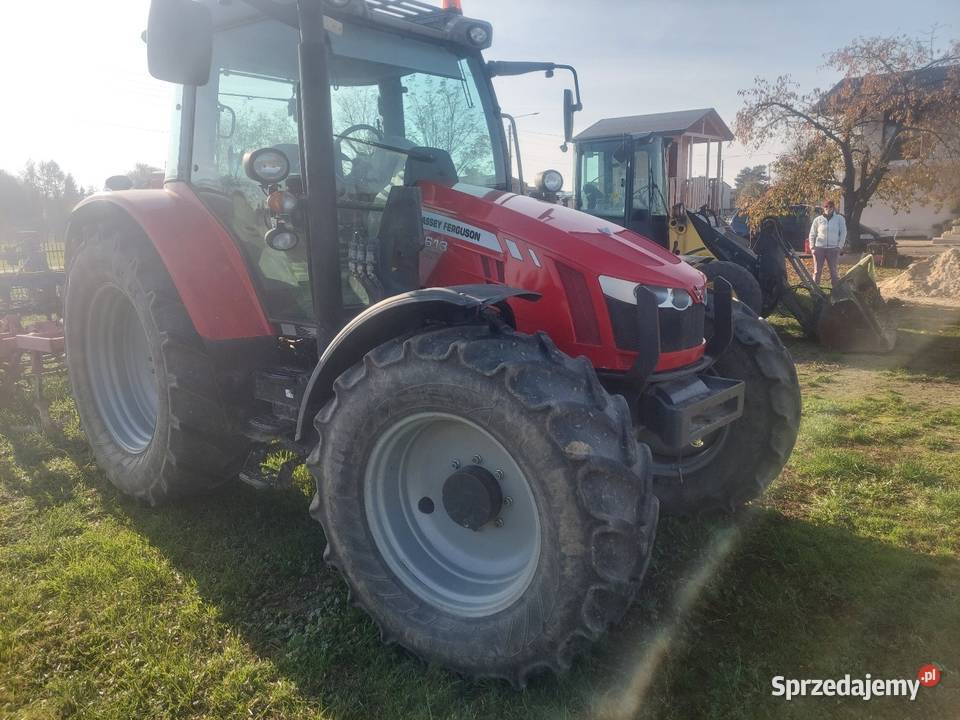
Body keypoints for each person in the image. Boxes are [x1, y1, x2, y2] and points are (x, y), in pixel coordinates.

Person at [807, 200, 846, 286]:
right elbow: (812, 234)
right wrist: (812, 247)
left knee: (834, 271)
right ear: (823, 208)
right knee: (817, 271)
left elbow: (843, 233)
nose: (828, 209)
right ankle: (815, 290)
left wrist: (839, 246)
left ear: (834, 208)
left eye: (830, 207)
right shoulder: (818, 220)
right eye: (826, 207)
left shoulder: (839, 219)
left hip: (833, 249)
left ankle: (836, 290)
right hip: (819, 249)